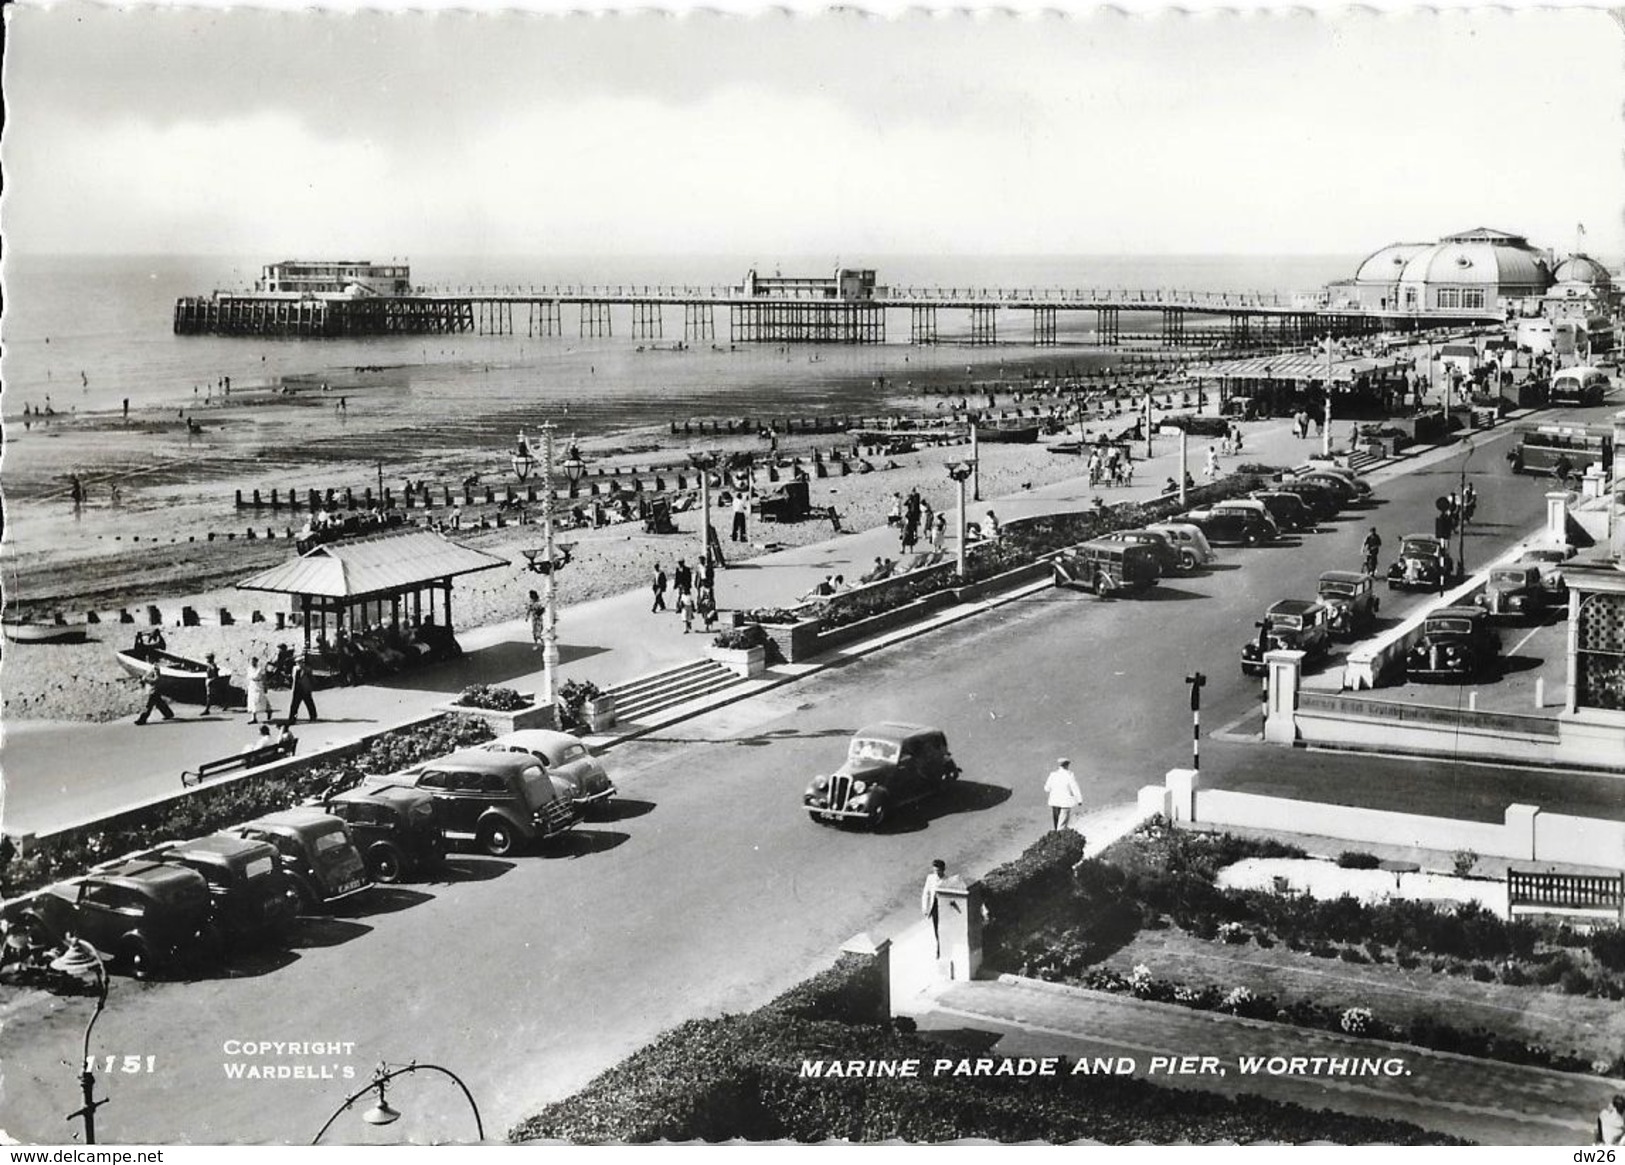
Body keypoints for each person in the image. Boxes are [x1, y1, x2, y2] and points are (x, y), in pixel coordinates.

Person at [1044, 758, 1084, 831]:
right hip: (1065, 803)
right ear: (1067, 765)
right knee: (1062, 825)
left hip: (1054, 802)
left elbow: (1046, 788)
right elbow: (1075, 788)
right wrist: (1079, 800)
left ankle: (1056, 838)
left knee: (1056, 825)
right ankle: (1061, 839)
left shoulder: (1053, 775)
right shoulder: (1070, 775)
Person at [133, 661, 174, 726]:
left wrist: (145, 679)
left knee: (148, 706)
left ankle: (142, 719)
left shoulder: (155, 667)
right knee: (159, 703)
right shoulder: (149, 667)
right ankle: (168, 714)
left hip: (153, 690)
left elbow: (156, 679)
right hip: (150, 690)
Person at [922, 859, 946, 958]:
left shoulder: (947, 880)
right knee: (936, 929)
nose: (936, 873)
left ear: (943, 870)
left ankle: (943, 948)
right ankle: (939, 948)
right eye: (934, 871)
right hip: (934, 907)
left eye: (938, 871)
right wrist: (925, 908)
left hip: (944, 908)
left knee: (943, 929)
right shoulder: (930, 878)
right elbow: (926, 893)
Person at [286, 652, 318, 723]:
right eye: (297, 662)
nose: (299, 664)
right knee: (294, 705)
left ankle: (313, 717)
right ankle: (292, 718)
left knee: (309, 703)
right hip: (297, 688)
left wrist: (303, 668)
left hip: (305, 688)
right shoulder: (295, 669)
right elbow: (293, 678)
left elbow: (310, 675)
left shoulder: (307, 669)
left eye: (300, 662)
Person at [245, 655, 271, 723]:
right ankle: (254, 718)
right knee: (252, 701)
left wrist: (265, 686)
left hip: (259, 685)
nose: (252, 663)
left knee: (260, 699)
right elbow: (248, 678)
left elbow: (264, 678)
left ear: (256, 662)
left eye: (254, 662)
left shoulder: (260, 669)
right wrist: (246, 687)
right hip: (251, 685)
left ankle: (268, 710)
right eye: (251, 662)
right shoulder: (249, 669)